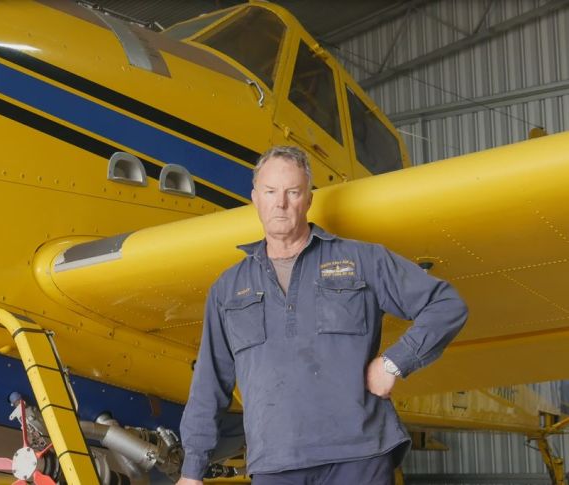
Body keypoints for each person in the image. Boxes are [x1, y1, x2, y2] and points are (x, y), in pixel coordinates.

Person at [177, 146, 468, 485]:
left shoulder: (362, 260)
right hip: (275, 464)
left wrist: (394, 363)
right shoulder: (228, 289)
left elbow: (446, 303)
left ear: (309, 199)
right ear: (255, 198)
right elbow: (209, 384)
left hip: (359, 456)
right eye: (270, 192)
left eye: (293, 192)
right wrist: (191, 470)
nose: (281, 203)